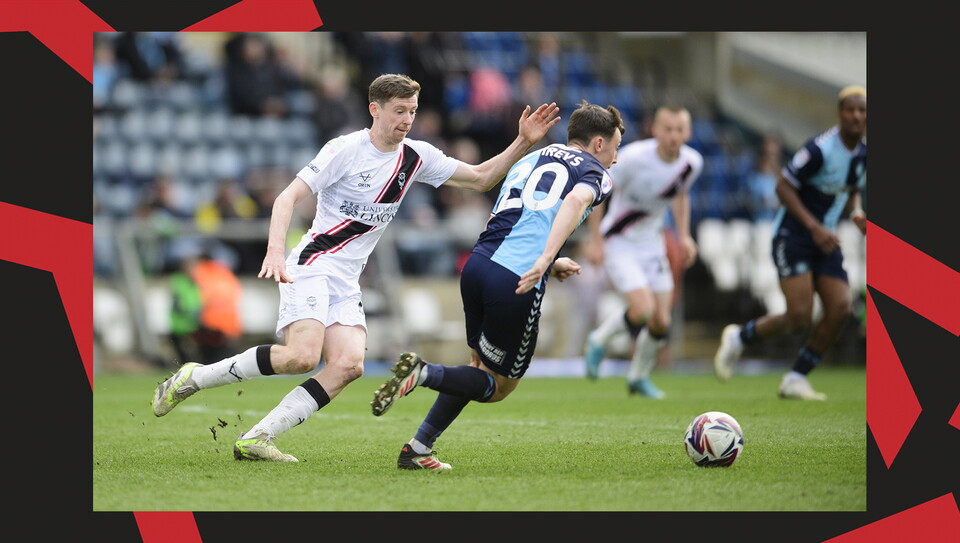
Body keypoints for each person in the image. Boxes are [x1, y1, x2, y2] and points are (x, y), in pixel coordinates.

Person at [151, 73, 560, 462]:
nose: (407, 120)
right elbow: (285, 198)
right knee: (301, 357)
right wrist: (275, 250)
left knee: (348, 365)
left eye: (413, 111)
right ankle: (196, 377)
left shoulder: (416, 157)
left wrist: (522, 141)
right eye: (399, 110)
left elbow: (481, 178)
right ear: (374, 109)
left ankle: (259, 437)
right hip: (312, 264)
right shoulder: (343, 150)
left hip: (346, 279)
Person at [370, 100, 625, 470]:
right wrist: (543, 259)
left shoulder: (530, 158)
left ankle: (418, 448)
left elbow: (519, 221)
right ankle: (423, 373)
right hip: (516, 280)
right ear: (598, 143)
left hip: (478, 266)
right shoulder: (597, 173)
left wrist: (550, 261)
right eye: (615, 148)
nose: (615, 159)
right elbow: (574, 201)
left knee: (477, 367)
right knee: (498, 387)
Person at [713, 85, 867, 400]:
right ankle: (739, 338)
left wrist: (857, 212)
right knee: (799, 315)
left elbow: (850, 189)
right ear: (839, 113)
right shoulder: (820, 149)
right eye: (850, 109)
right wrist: (813, 227)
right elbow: (783, 187)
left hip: (825, 239)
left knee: (840, 308)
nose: (856, 115)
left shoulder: (862, 154)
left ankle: (796, 377)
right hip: (794, 235)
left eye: (862, 110)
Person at [581, 105, 703, 398]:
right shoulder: (633, 159)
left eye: (679, 130)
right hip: (619, 241)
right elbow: (597, 194)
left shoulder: (691, 163)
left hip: (653, 245)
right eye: (668, 129)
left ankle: (637, 377)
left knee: (661, 321)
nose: (673, 136)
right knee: (642, 309)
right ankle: (599, 339)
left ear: (687, 133)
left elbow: (680, 195)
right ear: (655, 130)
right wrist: (595, 240)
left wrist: (684, 236)